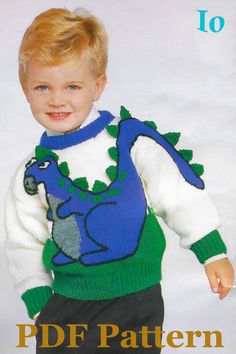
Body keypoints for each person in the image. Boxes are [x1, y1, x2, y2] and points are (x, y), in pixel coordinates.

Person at [4, 7, 234, 353]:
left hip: (136, 301)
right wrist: (38, 302)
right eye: (42, 86)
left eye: (72, 86)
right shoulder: (31, 173)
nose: (56, 99)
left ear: (98, 86)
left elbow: (176, 193)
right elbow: (25, 241)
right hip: (67, 307)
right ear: (25, 89)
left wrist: (211, 250)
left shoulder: (130, 143)